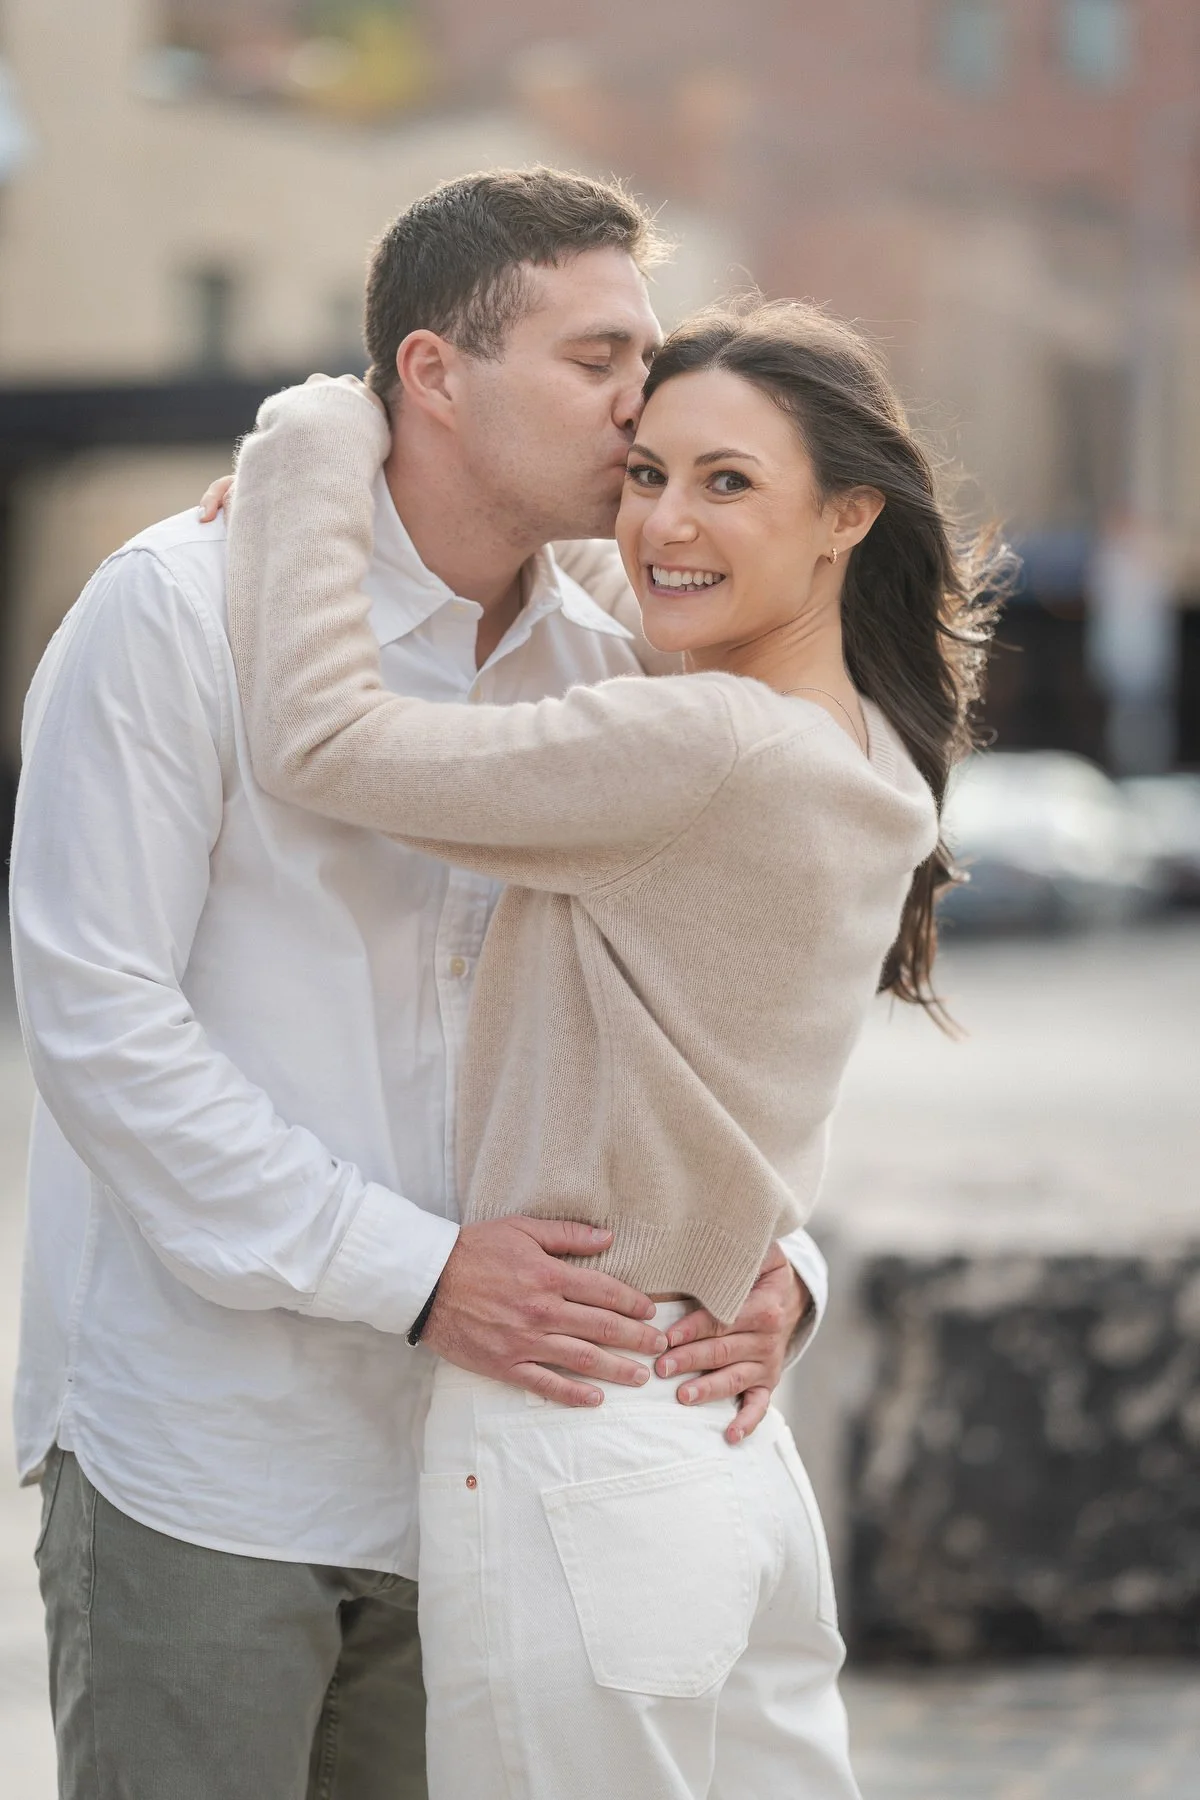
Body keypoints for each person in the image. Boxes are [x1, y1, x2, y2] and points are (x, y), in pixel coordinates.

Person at [8, 170, 828, 1800]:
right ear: (433, 375)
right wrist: (418, 1271)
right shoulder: (177, 614)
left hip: (506, 1473)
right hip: (214, 1455)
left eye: (648, 358)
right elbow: (100, 1025)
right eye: (595, 360)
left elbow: (733, 1014)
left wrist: (783, 1259)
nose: (642, 403)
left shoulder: (625, 663)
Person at [220, 299, 1002, 1798]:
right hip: (720, 1459)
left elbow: (317, 738)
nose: (663, 522)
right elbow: (637, 584)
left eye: (728, 482)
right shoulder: (870, 742)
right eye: (645, 474)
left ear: (848, 515)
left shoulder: (699, 748)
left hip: (576, 1441)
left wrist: (311, 445)